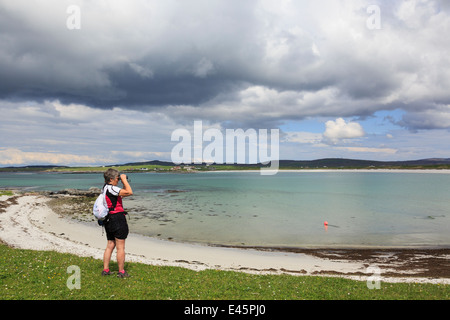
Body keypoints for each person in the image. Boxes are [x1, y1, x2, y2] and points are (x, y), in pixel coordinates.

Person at [101, 168, 133, 278]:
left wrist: (122, 181)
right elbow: (129, 192)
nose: (118, 181)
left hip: (108, 219)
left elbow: (122, 193)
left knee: (110, 244)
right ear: (111, 179)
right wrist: (125, 179)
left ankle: (106, 270)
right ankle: (121, 272)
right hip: (117, 219)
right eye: (117, 179)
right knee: (120, 247)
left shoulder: (105, 188)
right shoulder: (112, 188)